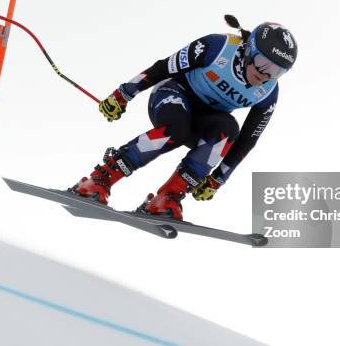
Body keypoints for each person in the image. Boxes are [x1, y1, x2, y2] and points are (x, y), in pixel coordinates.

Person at [70, 16, 297, 220]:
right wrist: (124, 93)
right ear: (249, 49)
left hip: (204, 121)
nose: (265, 75)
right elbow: (164, 67)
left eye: (277, 72)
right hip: (172, 95)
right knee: (177, 129)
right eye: (263, 63)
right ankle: (101, 177)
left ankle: (168, 197)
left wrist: (219, 178)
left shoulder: (268, 93)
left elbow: (248, 139)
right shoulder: (218, 47)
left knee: (228, 129)